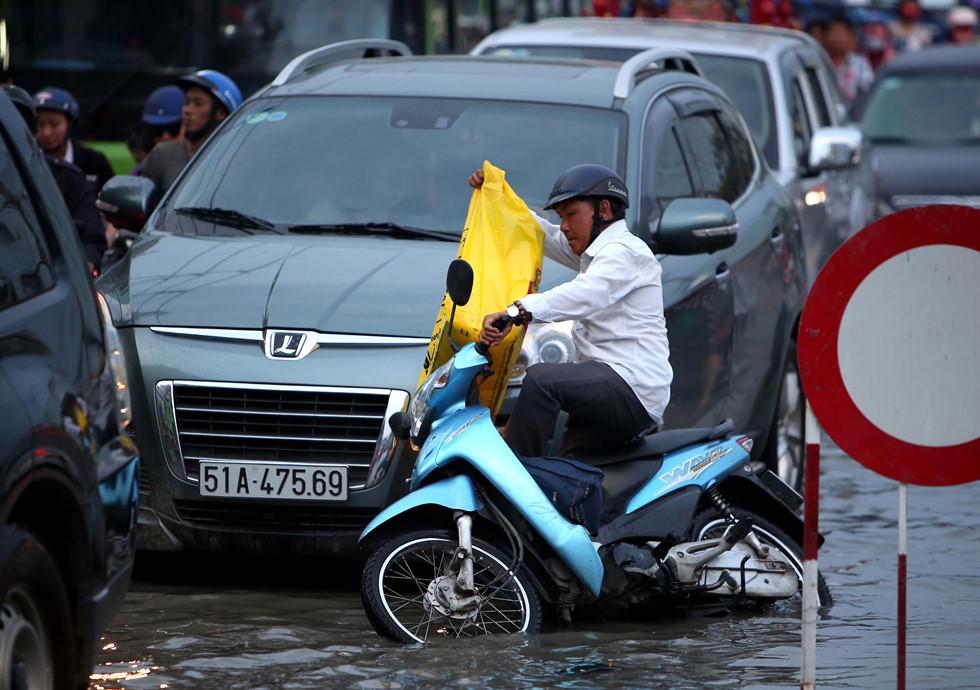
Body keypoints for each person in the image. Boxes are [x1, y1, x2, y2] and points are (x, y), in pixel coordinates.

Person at [472, 164, 672, 459]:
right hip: (605, 386)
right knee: (568, 483)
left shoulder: (624, 252)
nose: (563, 226)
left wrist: (517, 311)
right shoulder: (597, 251)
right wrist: (496, 195)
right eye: (560, 217)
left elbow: (584, 294)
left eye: (570, 215)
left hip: (630, 386)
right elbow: (543, 234)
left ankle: (508, 478)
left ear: (603, 210)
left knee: (541, 380)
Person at [3, 84, 105, 273]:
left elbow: (90, 239)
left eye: (17, 123)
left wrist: (84, 266)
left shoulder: (68, 177)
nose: (47, 133)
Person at [139, 70, 242, 194]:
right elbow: (137, 200)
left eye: (198, 104)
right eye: (186, 102)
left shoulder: (239, 161)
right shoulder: (162, 154)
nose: (187, 110)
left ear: (220, 113)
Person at [32, 87, 115, 194]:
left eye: (55, 124)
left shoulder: (95, 163)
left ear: (69, 124)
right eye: (40, 125)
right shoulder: (24, 161)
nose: (47, 133)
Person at [825, 15, 875, 107]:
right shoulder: (819, 62)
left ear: (850, 37)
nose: (837, 37)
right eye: (834, 32)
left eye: (841, 33)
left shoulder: (860, 64)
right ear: (826, 36)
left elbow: (868, 93)